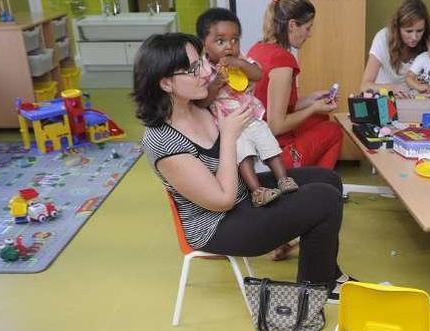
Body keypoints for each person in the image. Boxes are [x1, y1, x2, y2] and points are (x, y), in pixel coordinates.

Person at [133, 32, 352, 299]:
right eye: (193, 68)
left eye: (202, 59)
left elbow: (262, 113)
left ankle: (322, 273)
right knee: (325, 199)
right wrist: (228, 135)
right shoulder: (162, 141)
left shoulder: (198, 106)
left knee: (328, 180)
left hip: (242, 196)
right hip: (219, 225)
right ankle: (320, 285)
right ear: (166, 83)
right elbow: (223, 199)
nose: (206, 71)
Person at [195, 8, 298, 208]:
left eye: (235, 40)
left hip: (252, 117)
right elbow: (202, 102)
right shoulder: (203, 69)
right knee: (244, 156)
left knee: (270, 146)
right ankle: (257, 191)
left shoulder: (240, 58)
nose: (229, 46)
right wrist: (216, 83)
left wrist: (239, 63)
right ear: (204, 44)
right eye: (220, 41)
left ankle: (283, 178)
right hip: (230, 126)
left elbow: (258, 74)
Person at [247, 0, 342, 170]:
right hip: (274, 155)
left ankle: (309, 177)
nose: (309, 34)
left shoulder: (258, 48)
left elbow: (275, 106)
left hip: (256, 142)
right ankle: (318, 182)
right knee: (333, 130)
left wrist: (312, 100)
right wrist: (313, 108)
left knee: (320, 118)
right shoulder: (282, 61)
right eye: (307, 28)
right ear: (292, 25)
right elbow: (276, 126)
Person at [361, 0, 430, 95]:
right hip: (382, 98)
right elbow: (364, 86)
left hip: (413, 101)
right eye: (409, 31)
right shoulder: (383, 38)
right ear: (397, 28)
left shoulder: (429, 41)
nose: (415, 37)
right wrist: (392, 88)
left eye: (419, 31)